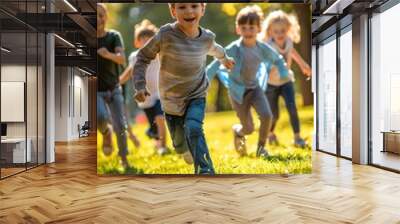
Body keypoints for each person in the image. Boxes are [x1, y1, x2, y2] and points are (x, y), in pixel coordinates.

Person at [133, 3, 235, 174]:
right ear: (173, 11)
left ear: (203, 9)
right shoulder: (166, 35)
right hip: (171, 100)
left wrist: (225, 59)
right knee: (180, 145)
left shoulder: (206, 38)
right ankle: (184, 149)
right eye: (182, 7)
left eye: (194, 5)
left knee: (194, 127)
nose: (189, 11)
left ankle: (205, 169)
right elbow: (142, 57)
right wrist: (140, 85)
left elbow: (216, 49)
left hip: (197, 93)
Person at [207, 5, 289, 157]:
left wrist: (284, 71)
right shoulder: (233, 49)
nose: (248, 31)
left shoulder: (261, 48)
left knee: (267, 116)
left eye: (251, 27)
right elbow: (216, 63)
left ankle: (261, 148)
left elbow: (277, 58)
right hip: (238, 93)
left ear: (259, 28)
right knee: (249, 128)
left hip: (255, 89)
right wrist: (206, 78)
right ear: (238, 29)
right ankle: (238, 131)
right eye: (243, 28)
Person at [260, 10, 311, 148]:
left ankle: (297, 137)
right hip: (271, 84)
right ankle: (270, 133)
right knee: (274, 115)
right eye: (276, 31)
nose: (280, 34)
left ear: (288, 29)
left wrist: (303, 65)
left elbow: (291, 51)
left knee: (292, 107)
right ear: (270, 32)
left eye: (283, 30)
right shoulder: (269, 46)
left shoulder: (288, 41)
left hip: (286, 81)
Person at [119, 19, 168, 155]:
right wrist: (118, 82)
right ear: (137, 43)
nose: (147, 42)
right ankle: (154, 136)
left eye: (150, 40)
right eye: (143, 40)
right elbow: (129, 72)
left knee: (160, 118)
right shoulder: (135, 57)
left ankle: (163, 147)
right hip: (144, 98)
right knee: (154, 128)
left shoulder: (158, 55)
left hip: (159, 94)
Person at [97, 3, 130, 169]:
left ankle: (124, 158)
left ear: (106, 17)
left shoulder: (113, 36)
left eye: (101, 15)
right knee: (101, 117)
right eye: (94, 15)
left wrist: (107, 54)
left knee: (121, 125)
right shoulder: (88, 38)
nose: (98, 19)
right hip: (95, 91)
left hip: (114, 88)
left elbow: (122, 59)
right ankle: (106, 133)